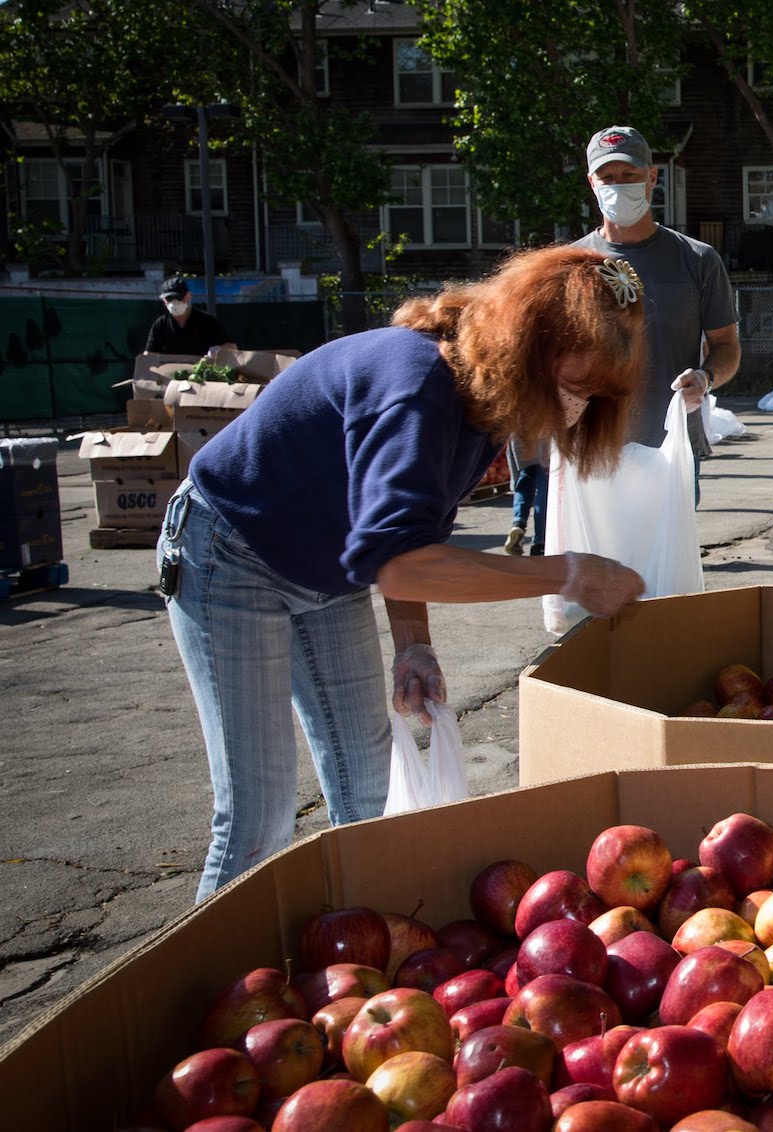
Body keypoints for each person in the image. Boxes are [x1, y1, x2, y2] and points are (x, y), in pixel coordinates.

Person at [156, 246, 650, 900]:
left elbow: (412, 533)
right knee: (259, 810)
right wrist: (567, 573)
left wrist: (413, 644)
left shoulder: (482, 409)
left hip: (325, 570)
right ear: (530, 348)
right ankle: (204, 990)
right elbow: (398, 562)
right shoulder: (416, 383)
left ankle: (356, 943)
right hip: (229, 550)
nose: (579, 410)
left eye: (595, 396)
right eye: (577, 386)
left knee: (368, 785)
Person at [572, 125, 740, 498]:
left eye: (629, 175)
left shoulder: (697, 260)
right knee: (596, 558)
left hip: (671, 449)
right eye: (607, 177)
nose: (618, 185)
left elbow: (726, 345)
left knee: (666, 558)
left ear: (652, 177)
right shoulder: (571, 266)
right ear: (591, 182)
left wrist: (705, 378)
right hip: (592, 452)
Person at [143, 276, 236, 356]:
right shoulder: (160, 325)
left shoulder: (207, 321)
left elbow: (232, 347)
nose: (175, 302)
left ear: (188, 296)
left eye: (179, 297)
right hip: (169, 374)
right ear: (164, 300)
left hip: (200, 374)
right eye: (170, 298)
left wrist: (218, 349)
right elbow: (150, 354)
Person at [504, 436, 548, 555]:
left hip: (520, 429)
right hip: (546, 430)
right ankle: (540, 542)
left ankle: (518, 522)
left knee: (526, 476)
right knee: (545, 485)